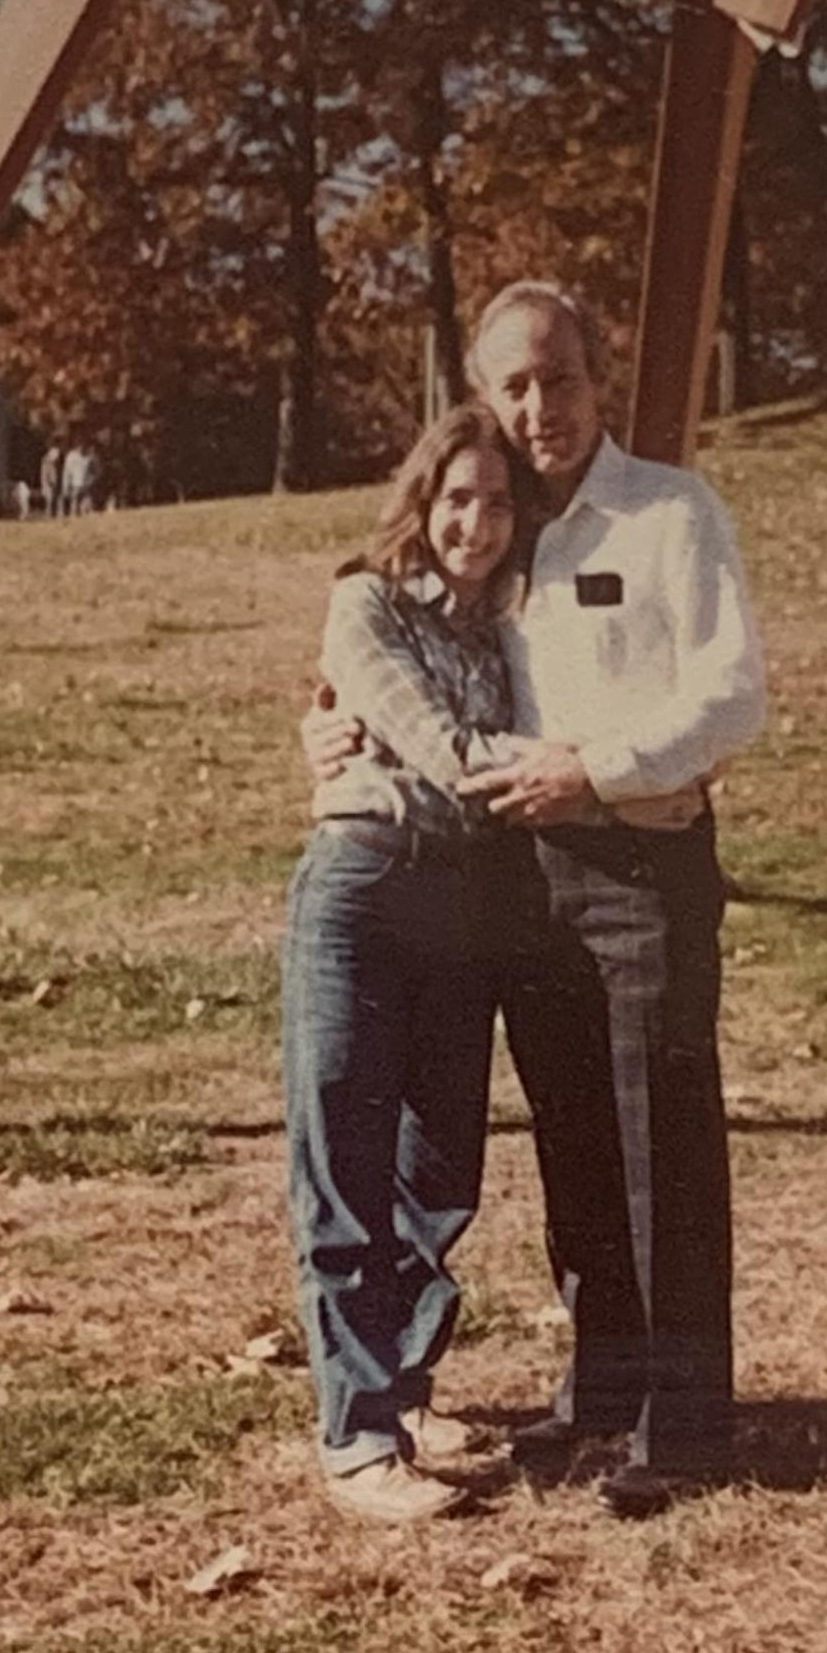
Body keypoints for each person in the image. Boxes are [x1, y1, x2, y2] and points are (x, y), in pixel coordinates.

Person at [305, 280, 766, 1517]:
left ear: (597, 375)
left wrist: (597, 769)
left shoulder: (668, 513)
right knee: (575, 1147)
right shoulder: (499, 531)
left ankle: (688, 1421)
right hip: (520, 880)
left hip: (642, 866)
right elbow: (402, 650)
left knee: (660, 1137)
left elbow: (734, 696)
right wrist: (330, 730)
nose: (537, 405)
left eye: (557, 377)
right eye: (511, 385)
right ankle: (606, 1392)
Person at [283, 402, 533, 1525]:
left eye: (498, 501)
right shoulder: (363, 600)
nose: (476, 523)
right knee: (345, 1158)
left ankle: (409, 1387)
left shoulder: (509, 632)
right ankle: (357, 1439)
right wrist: (564, 762)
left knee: (440, 1171)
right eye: (458, 498)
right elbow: (433, 740)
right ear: (422, 502)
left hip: (465, 904)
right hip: (363, 886)